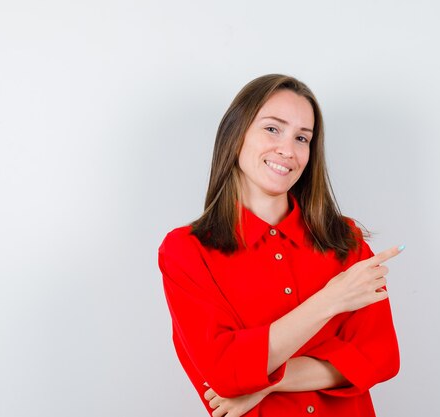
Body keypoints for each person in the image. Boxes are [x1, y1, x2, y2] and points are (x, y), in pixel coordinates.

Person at [158, 74, 403, 417]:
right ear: (236, 134)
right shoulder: (185, 251)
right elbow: (224, 373)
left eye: (302, 138)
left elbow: (381, 358)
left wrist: (267, 381)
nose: (288, 150)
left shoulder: (344, 239)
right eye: (273, 129)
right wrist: (331, 301)